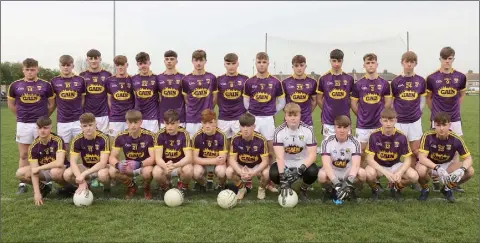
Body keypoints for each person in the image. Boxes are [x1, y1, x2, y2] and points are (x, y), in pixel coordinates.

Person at [8, 58, 55, 194]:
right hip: (23, 124)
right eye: (27, 69)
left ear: (37, 69)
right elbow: (11, 105)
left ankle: (47, 181)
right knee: (23, 155)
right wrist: (20, 117)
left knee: (44, 153)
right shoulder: (15, 85)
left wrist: (44, 119)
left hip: (40, 125)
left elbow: (51, 104)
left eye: (32, 69)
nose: (30, 72)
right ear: (23, 70)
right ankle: (22, 183)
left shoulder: (46, 85)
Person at [425, 46, 467, 192]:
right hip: (437, 119)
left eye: (450, 59)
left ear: (453, 59)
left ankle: (452, 180)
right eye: (444, 59)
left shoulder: (460, 77)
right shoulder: (431, 77)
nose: (447, 61)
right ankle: (435, 177)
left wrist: (454, 109)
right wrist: (436, 114)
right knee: (432, 146)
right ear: (440, 59)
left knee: (455, 149)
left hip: (454, 118)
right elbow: (428, 98)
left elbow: (462, 95)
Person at [243, 52, 286, 193]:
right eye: (259, 62)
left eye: (264, 62)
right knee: (250, 148)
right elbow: (246, 101)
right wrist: (252, 112)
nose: (261, 64)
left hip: (268, 119)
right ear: (255, 63)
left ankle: (270, 181)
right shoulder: (249, 82)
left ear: (268, 63)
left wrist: (272, 112)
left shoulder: (275, 82)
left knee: (270, 150)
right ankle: (247, 179)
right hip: (254, 119)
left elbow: (282, 101)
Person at [350, 53, 392, 191]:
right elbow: (354, 104)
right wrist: (362, 115)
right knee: (361, 152)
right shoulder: (358, 84)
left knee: (378, 152)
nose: (370, 65)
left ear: (377, 64)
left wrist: (380, 117)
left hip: (378, 125)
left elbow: (387, 103)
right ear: (364, 65)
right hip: (363, 125)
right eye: (368, 63)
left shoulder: (384, 84)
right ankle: (360, 177)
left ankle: (376, 179)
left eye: (373, 62)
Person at [416, 112, 474, 203]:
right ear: (434, 124)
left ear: (449, 125)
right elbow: (422, 158)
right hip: (431, 165)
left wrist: (462, 169)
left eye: (444, 125)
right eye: (438, 125)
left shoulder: (456, 139)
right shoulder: (427, 136)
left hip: (447, 165)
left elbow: (469, 158)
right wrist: (436, 167)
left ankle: (447, 188)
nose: (441, 128)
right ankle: (425, 189)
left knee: (470, 171)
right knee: (420, 169)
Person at [390, 51, 426, 191]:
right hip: (399, 121)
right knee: (397, 150)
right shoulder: (395, 81)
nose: (409, 64)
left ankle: (412, 179)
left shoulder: (421, 81)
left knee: (413, 150)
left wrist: (419, 111)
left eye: (412, 62)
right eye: (407, 61)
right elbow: (391, 101)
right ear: (402, 62)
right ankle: (394, 177)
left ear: (415, 63)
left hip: (414, 121)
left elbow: (422, 99)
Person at [364, 108, 419, 201]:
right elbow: (369, 159)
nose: (388, 123)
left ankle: (397, 187)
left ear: (396, 121)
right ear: (381, 121)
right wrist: (386, 172)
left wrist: (399, 172)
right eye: (385, 121)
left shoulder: (401, 136)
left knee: (414, 177)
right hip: (379, 165)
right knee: (369, 173)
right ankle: (375, 189)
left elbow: (408, 159)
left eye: (391, 120)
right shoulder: (374, 135)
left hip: (395, 165)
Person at [270, 103, 318, 202]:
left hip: (302, 161)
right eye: (290, 115)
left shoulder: (308, 130)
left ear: (300, 116)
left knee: (313, 171)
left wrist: (301, 168)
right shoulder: (278, 132)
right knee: (274, 173)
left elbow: (312, 154)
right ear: (285, 116)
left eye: (295, 115)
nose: (293, 118)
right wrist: (283, 176)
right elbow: (279, 157)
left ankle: (303, 189)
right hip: (286, 162)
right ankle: (285, 185)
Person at [15, 116, 68, 206]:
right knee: (20, 173)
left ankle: (68, 188)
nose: (42, 130)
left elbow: (59, 163)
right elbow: (34, 171)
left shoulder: (58, 140)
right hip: (44, 171)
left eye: (45, 128)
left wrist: (39, 167)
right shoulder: (34, 146)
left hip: (59, 169)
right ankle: (44, 188)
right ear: (37, 129)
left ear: (51, 127)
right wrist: (37, 193)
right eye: (39, 128)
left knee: (55, 172)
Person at [109, 110, 156, 199]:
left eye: (135, 122)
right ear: (126, 122)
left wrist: (140, 164)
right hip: (129, 166)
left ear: (141, 122)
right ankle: (131, 186)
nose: (133, 125)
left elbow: (153, 158)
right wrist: (118, 164)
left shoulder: (149, 136)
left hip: (143, 165)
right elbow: (112, 157)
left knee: (148, 172)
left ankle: (146, 187)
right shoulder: (121, 136)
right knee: (112, 171)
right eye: (130, 122)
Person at [317, 115, 365, 202]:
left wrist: (349, 182)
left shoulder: (355, 142)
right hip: (333, 169)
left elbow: (356, 165)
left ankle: (351, 190)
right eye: (339, 127)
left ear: (349, 128)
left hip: (348, 170)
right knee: (321, 175)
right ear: (334, 128)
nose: (342, 130)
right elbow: (327, 165)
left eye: (345, 127)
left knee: (362, 173)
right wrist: (336, 183)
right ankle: (329, 190)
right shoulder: (326, 141)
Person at [63, 113, 111, 196]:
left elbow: (103, 163)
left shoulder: (103, 138)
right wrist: (80, 178)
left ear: (95, 124)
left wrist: (84, 174)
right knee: (67, 174)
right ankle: (84, 185)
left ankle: (107, 188)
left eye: (90, 125)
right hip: (86, 166)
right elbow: (73, 162)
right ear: (81, 127)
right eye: (85, 126)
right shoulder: (77, 139)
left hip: (100, 168)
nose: (88, 128)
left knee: (102, 175)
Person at [226, 112, 270, 200]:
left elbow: (265, 161)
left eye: (248, 126)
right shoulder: (236, 138)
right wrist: (240, 171)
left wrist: (254, 172)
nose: (245, 129)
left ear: (254, 127)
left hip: (256, 166)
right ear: (239, 127)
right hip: (242, 166)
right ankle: (241, 188)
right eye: (243, 126)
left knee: (266, 173)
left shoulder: (261, 139)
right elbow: (232, 160)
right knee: (228, 172)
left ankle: (261, 188)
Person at [153, 110, 194, 199]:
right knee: (156, 172)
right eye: (167, 124)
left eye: (172, 123)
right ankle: (165, 187)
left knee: (189, 170)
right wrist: (165, 166)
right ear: (164, 123)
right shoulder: (160, 134)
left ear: (178, 123)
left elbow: (189, 157)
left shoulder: (184, 133)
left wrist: (175, 165)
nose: (169, 126)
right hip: (165, 165)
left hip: (179, 165)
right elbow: (158, 158)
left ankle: (183, 187)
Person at [316, 49, 354, 140]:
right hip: (328, 121)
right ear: (330, 61)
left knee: (346, 148)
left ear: (342, 61)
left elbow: (351, 100)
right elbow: (319, 99)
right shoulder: (323, 78)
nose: (336, 64)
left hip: (345, 120)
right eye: (334, 61)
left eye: (339, 61)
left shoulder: (349, 79)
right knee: (328, 149)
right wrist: (327, 109)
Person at [51, 55, 85, 149]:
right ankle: (65, 164)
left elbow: (82, 99)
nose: (66, 67)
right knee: (63, 148)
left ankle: (78, 164)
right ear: (60, 66)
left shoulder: (80, 80)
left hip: (78, 120)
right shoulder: (54, 81)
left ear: (72, 66)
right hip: (62, 121)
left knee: (82, 147)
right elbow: (52, 101)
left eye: (68, 65)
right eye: (63, 65)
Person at [182, 50, 218, 137]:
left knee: (208, 146)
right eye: (196, 60)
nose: (198, 63)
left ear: (205, 61)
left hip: (207, 120)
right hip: (191, 119)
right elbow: (186, 99)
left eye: (201, 60)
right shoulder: (186, 79)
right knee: (192, 146)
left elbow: (214, 99)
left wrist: (208, 110)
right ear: (192, 61)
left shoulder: (212, 77)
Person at [192, 109, 228, 191]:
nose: (207, 126)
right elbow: (194, 159)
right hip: (205, 164)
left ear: (215, 122)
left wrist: (212, 161)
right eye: (205, 123)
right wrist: (214, 160)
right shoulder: (197, 136)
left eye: (210, 123)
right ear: (201, 123)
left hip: (216, 164)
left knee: (222, 171)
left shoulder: (222, 136)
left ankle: (220, 185)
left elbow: (222, 160)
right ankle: (204, 184)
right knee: (195, 172)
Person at [79, 49, 112, 134]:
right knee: (88, 140)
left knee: (104, 140)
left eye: (96, 58)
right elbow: (81, 98)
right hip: (87, 114)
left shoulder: (108, 75)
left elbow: (110, 97)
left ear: (100, 59)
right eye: (91, 58)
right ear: (87, 60)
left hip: (103, 114)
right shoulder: (82, 76)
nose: (93, 61)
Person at [281, 55, 317, 127]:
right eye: (296, 66)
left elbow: (314, 101)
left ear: (305, 66)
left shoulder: (312, 82)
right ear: (292, 67)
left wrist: (307, 112)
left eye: (301, 65)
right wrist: (290, 113)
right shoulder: (285, 82)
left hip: (307, 121)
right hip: (289, 121)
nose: (299, 68)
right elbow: (282, 102)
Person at [105, 55, 135, 138]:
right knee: (114, 145)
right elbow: (109, 100)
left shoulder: (132, 79)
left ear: (127, 65)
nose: (120, 67)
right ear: (115, 66)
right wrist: (114, 111)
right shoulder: (109, 80)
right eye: (118, 65)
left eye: (122, 65)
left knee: (131, 145)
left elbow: (135, 99)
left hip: (129, 119)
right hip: (115, 118)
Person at [156, 50, 186, 129]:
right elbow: (158, 98)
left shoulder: (183, 78)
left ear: (176, 61)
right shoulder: (158, 78)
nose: (169, 61)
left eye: (172, 59)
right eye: (167, 59)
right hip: (164, 118)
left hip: (179, 118)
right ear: (164, 61)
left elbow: (186, 99)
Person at [131, 51, 159, 133]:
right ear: (137, 64)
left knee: (153, 143)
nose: (143, 66)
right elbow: (132, 98)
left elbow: (160, 98)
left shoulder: (156, 78)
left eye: (145, 63)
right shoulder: (133, 79)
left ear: (149, 63)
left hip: (152, 118)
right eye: (140, 63)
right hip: (138, 118)